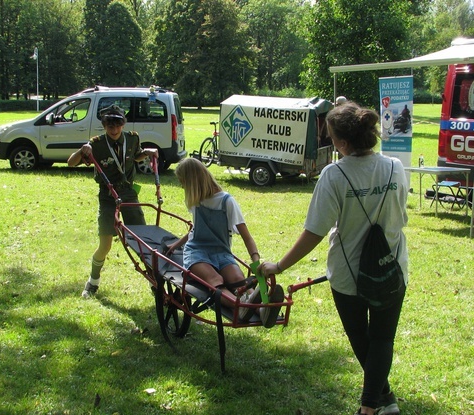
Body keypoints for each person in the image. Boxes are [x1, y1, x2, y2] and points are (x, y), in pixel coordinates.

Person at [258, 102, 408, 415]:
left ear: (341, 142)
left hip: (348, 276)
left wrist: (279, 266)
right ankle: (386, 401)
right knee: (382, 340)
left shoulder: (334, 175)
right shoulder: (396, 167)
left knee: (363, 340)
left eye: (330, 137)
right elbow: (401, 217)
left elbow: (313, 232)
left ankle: (370, 408)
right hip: (392, 270)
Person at [167, 158, 284, 327]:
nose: (183, 187)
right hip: (197, 252)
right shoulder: (197, 199)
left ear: (192, 181)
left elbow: (246, 236)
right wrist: (176, 245)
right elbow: (195, 229)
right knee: (215, 280)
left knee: (238, 279)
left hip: (221, 252)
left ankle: (261, 310)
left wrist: (256, 260)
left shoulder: (226, 202)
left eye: (183, 182)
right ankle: (243, 306)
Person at [68, 104, 159, 298]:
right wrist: (82, 150)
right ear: (104, 125)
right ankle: (92, 282)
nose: (114, 130)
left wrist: (147, 153)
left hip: (128, 193)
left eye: (117, 125)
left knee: (142, 241)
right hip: (108, 197)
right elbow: (71, 162)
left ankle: (154, 282)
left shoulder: (132, 138)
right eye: (110, 126)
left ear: (123, 124)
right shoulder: (97, 143)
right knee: (105, 245)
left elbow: (135, 156)